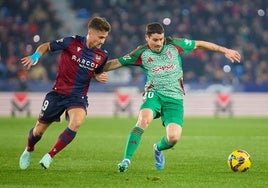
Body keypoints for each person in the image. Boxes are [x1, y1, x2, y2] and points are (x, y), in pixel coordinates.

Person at [104, 22, 241, 172]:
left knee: (173, 138)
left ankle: (157, 148)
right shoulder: (140, 53)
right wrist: (94, 70)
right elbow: (117, 62)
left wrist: (224, 50)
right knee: (143, 120)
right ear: (147, 38)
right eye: (155, 40)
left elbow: (199, 44)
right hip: (154, 93)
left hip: (175, 98)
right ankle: (126, 160)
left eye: (161, 39)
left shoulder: (174, 45)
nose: (159, 43)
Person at [19, 16, 111, 170]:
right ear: (90, 32)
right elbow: (46, 46)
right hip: (58, 93)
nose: (102, 41)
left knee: (76, 123)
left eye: (105, 38)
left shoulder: (102, 56)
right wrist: (36, 56)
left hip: (78, 97)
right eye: (100, 37)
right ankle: (29, 149)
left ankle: (49, 156)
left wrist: (97, 76)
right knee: (38, 132)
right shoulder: (72, 42)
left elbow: (95, 72)